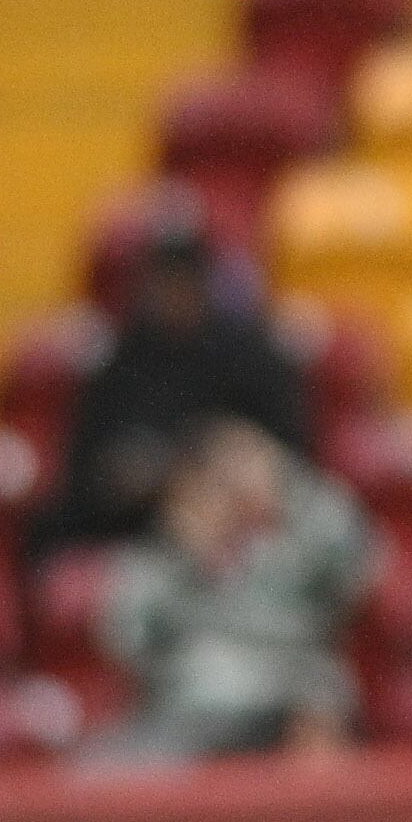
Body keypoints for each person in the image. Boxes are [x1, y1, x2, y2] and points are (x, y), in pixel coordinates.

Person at [33, 194, 313, 557]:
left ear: (206, 282)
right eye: (165, 279)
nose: (175, 292)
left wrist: (211, 469)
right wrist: (133, 480)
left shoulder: (250, 356)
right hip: (140, 533)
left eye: (185, 278)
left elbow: (291, 459)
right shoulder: (121, 362)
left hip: (242, 529)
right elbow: (87, 474)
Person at [88, 417, 371, 766]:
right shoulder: (167, 553)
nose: (237, 485)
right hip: (197, 700)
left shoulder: (303, 535)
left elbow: (360, 565)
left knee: (319, 716)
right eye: (221, 477)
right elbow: (128, 641)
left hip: (294, 685)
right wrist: (184, 558)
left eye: (248, 465)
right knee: (102, 770)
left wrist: (291, 491)